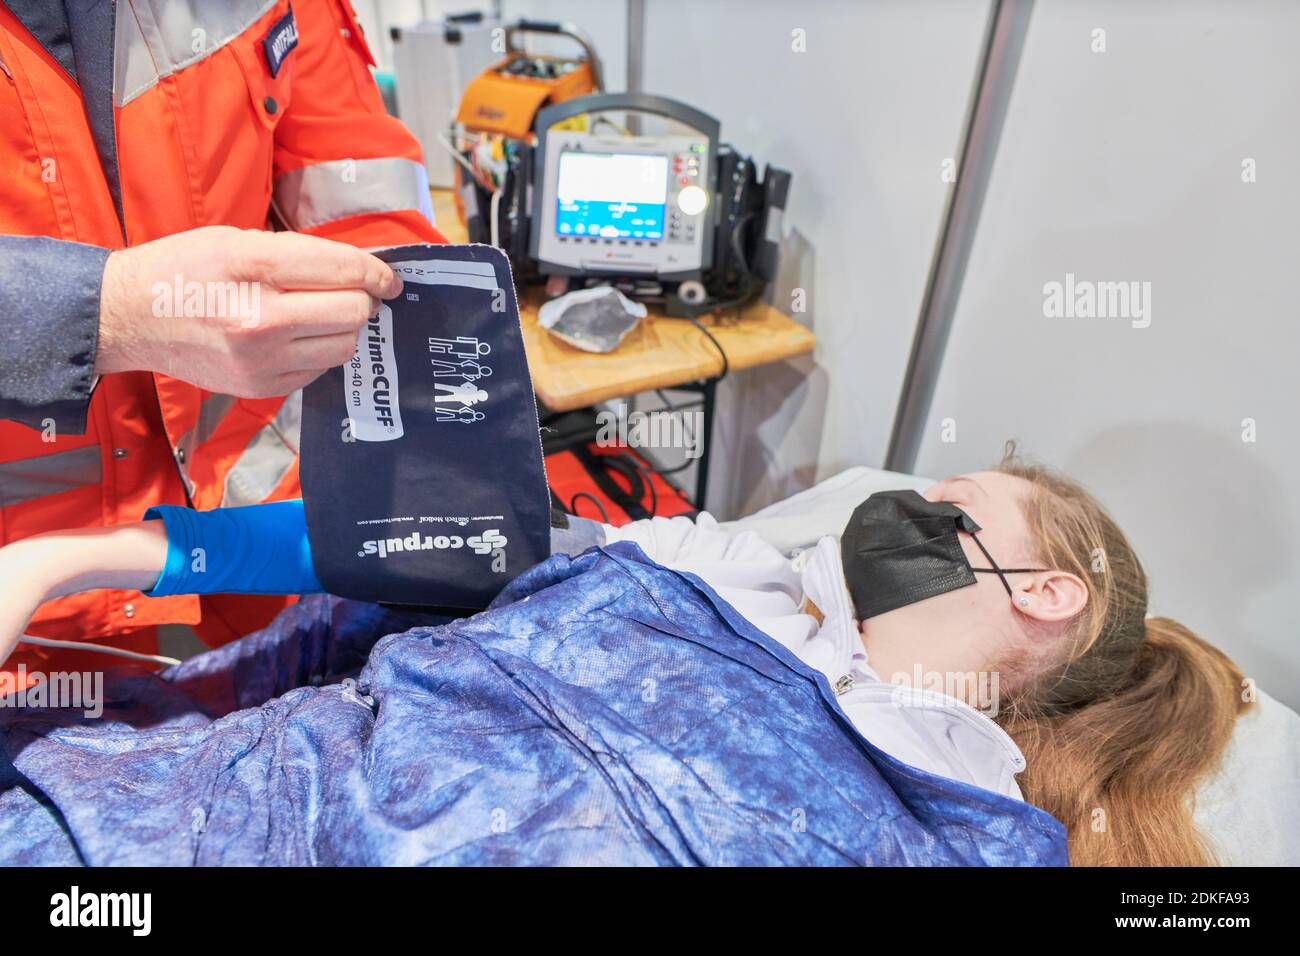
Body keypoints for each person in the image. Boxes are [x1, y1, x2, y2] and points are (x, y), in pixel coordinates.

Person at [0, 447, 1249, 866]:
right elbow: (412, 535)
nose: (895, 509)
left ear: (1043, 592)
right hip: (165, 825)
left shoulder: (957, 826)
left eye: (945, 501)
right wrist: (72, 561)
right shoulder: (698, 564)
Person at [0, 1, 445, 676]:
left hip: (274, 503)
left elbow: (351, 171)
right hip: (30, 596)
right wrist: (102, 312)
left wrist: (416, 333)